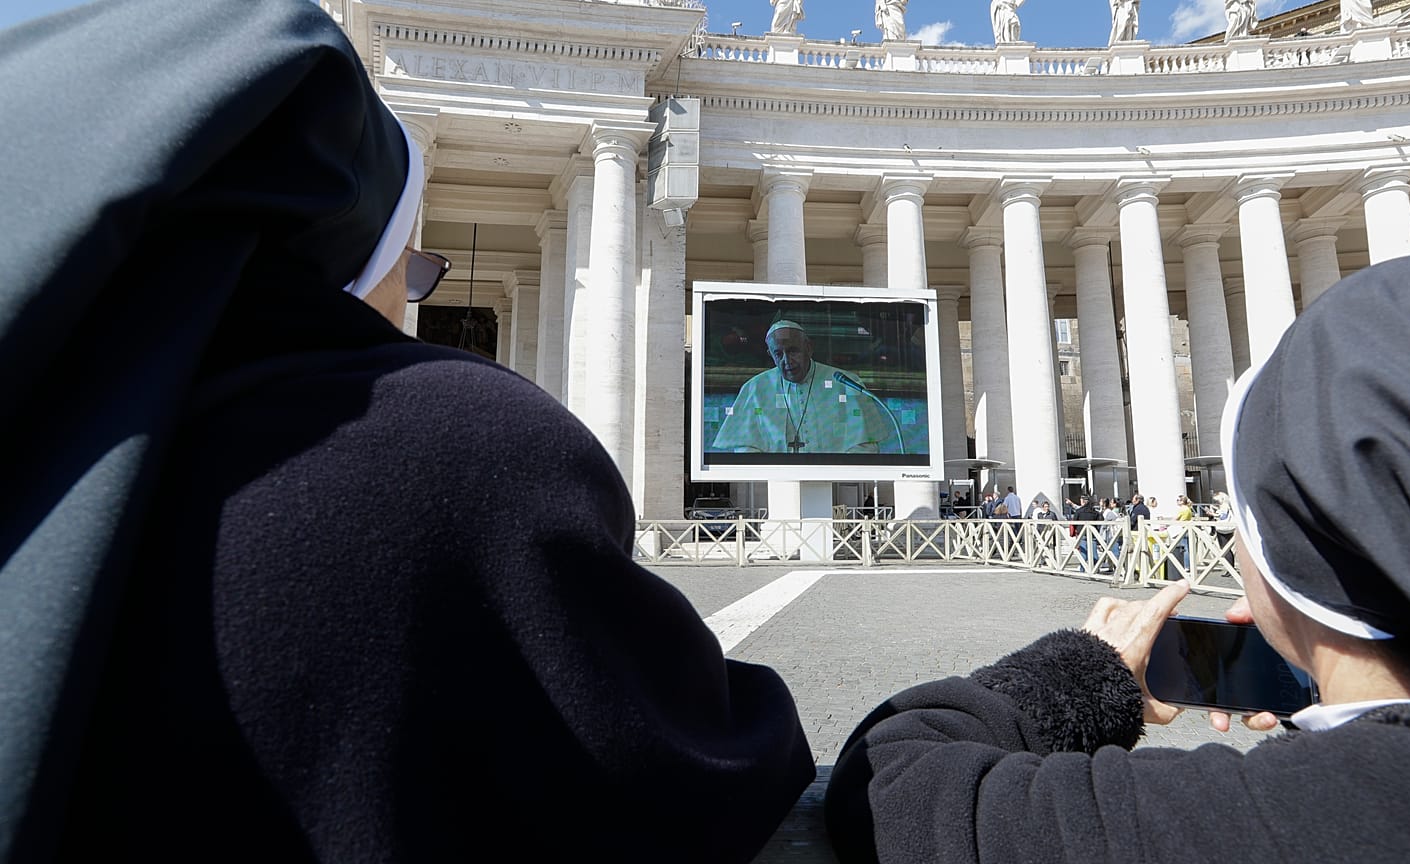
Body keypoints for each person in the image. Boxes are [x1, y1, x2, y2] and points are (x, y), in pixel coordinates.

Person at [0, 2, 813, 861]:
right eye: (410, 265)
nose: (409, 302)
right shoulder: (453, 437)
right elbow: (689, 764)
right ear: (348, 236)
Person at [823, 253, 1410, 863]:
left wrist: (1081, 676)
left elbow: (893, 784)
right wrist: (1338, 677)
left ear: (1284, 555)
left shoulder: (1262, 825)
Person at [711, 320, 895, 454]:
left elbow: (866, 445)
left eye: (793, 351)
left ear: (809, 347)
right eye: (778, 354)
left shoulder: (845, 383)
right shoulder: (755, 389)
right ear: (770, 354)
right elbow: (745, 447)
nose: (786, 361)